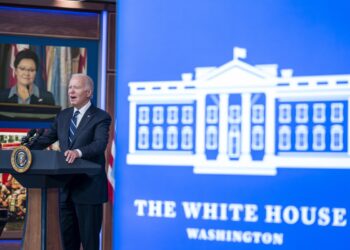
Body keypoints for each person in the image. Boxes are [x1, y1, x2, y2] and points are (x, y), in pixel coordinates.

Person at [31, 74, 111, 250]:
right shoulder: (63, 116)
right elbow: (46, 139)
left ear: (88, 92)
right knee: (68, 243)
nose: (71, 91)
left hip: (88, 190)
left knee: (90, 243)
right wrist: (24, 151)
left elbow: (99, 144)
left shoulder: (100, 117)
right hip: (66, 189)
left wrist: (78, 152)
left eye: (76, 87)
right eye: (69, 88)